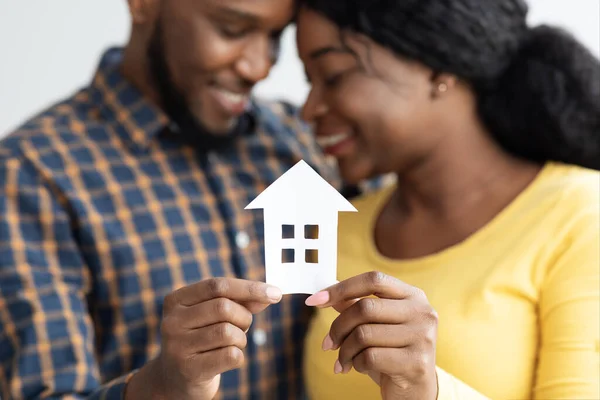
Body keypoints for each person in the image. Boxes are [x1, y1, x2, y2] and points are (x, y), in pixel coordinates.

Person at [0, 1, 387, 399]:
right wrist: (165, 386)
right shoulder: (30, 173)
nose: (260, 67)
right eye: (232, 29)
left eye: (274, 37)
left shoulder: (307, 143)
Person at [296, 0, 600, 399]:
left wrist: (425, 389)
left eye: (333, 76)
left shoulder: (581, 214)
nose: (309, 109)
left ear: (437, 68)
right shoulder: (340, 227)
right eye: (308, 81)